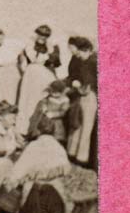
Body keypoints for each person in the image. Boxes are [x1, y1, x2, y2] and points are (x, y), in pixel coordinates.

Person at [14, 26, 61, 134]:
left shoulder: (52, 47)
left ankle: (39, 129)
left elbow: (56, 63)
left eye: (45, 36)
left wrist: (50, 52)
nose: (42, 37)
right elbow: (23, 62)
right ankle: (24, 130)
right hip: (31, 77)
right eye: (40, 34)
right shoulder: (29, 46)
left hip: (45, 77)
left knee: (41, 101)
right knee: (27, 101)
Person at [65, 36, 97, 166]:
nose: (79, 55)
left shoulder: (94, 62)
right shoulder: (83, 61)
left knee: (86, 127)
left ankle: (81, 157)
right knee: (78, 124)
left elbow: (91, 84)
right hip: (82, 95)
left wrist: (82, 87)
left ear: (88, 50)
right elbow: (75, 77)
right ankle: (72, 153)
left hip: (90, 97)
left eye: (81, 52)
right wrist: (75, 83)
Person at [26, 80, 72, 144]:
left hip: (56, 121)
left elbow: (63, 112)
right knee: (40, 131)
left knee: (55, 136)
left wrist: (53, 114)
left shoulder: (65, 100)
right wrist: (44, 106)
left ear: (61, 92)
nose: (53, 94)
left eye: (55, 92)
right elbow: (45, 101)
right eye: (52, 91)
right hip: (45, 119)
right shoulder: (49, 97)